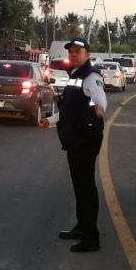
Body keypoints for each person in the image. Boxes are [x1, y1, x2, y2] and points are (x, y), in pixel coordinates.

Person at [40, 38, 107, 253]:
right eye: (71, 52)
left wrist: (99, 108)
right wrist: (49, 121)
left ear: (87, 54)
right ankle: (81, 226)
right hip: (74, 139)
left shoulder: (91, 76)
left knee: (86, 187)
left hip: (86, 140)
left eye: (78, 51)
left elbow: (100, 98)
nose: (73, 55)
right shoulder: (75, 76)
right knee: (79, 186)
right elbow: (69, 110)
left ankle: (91, 238)